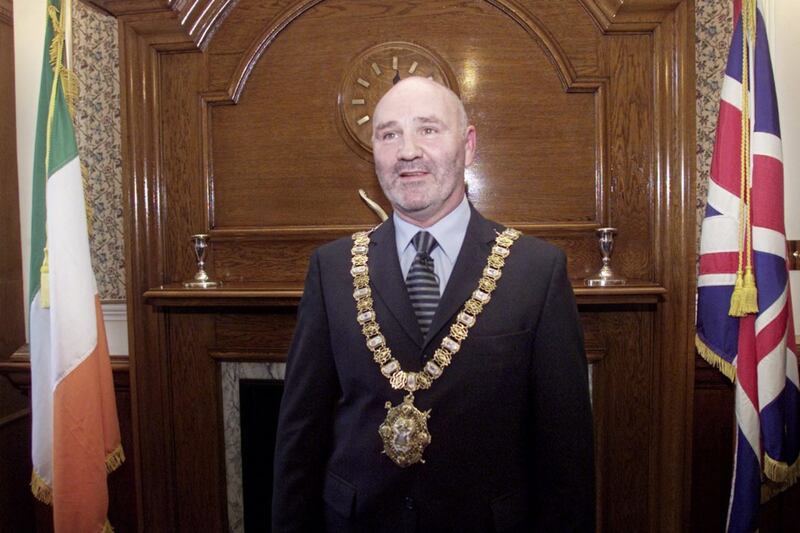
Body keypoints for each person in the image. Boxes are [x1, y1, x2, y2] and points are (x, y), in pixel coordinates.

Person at [272, 76, 594, 532]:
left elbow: (566, 453)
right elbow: (299, 437)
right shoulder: (331, 269)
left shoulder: (535, 271)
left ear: (467, 146)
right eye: (389, 134)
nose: (407, 151)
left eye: (427, 129)